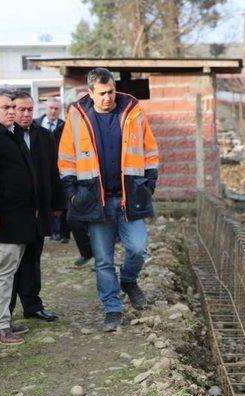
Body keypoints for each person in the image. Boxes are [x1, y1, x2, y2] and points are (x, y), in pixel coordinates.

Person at [58, 68, 159, 332]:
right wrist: (72, 192)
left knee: (138, 248)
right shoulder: (77, 116)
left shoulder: (133, 111)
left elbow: (149, 150)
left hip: (129, 197)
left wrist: (148, 185)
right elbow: (67, 157)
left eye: (111, 91)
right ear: (90, 92)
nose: (107, 97)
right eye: (101, 93)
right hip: (95, 199)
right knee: (103, 260)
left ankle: (128, 280)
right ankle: (112, 309)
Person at [0, 88, 38, 345]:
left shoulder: (8, 131)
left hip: (19, 215)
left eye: (14, 107)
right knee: (1, 271)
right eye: (6, 107)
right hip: (3, 218)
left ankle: (2, 318)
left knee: (9, 269)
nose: (13, 112)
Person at [11, 91, 64, 322]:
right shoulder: (5, 136)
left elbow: (53, 171)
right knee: (11, 264)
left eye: (29, 110)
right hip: (13, 211)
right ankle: (5, 311)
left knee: (33, 259)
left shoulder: (43, 136)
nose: (25, 114)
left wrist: (55, 204)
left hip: (38, 208)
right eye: (21, 110)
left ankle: (32, 305)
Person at [54, 103, 93, 267]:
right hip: (72, 181)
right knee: (73, 219)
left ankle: (101, 258)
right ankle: (87, 252)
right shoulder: (60, 131)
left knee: (97, 222)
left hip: (91, 180)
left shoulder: (92, 128)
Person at [35, 99, 66, 241]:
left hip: (59, 166)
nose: (53, 111)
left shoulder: (64, 126)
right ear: (45, 109)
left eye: (56, 109)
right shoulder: (35, 124)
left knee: (57, 196)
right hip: (39, 166)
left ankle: (57, 230)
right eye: (51, 108)